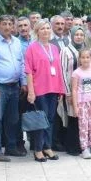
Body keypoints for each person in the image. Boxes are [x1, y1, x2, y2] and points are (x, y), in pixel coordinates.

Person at [0, 15, 25, 160]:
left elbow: (21, 63)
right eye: (4, 24)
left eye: (10, 23)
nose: (7, 27)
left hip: (14, 86)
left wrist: (24, 82)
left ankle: (11, 147)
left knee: (13, 119)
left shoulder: (16, 42)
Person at [25, 19, 64, 161]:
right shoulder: (32, 47)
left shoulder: (54, 48)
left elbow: (58, 70)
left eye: (48, 28)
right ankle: (38, 149)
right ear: (37, 31)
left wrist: (60, 90)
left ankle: (47, 146)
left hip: (53, 88)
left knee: (51, 119)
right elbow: (28, 71)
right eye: (42, 29)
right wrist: (31, 91)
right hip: (39, 89)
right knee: (41, 119)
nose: (46, 31)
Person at [56, 25, 86, 155]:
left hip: (83, 91)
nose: (78, 37)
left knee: (81, 117)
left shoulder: (84, 51)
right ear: (71, 36)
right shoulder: (66, 51)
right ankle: (72, 146)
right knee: (72, 117)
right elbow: (62, 72)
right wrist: (67, 92)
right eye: (76, 35)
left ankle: (81, 144)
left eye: (81, 35)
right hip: (70, 89)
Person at [72, 49, 91, 159]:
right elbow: (74, 90)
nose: (85, 59)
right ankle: (84, 148)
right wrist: (75, 106)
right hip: (82, 102)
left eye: (87, 57)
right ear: (80, 59)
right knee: (83, 126)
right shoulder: (76, 73)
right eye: (83, 57)